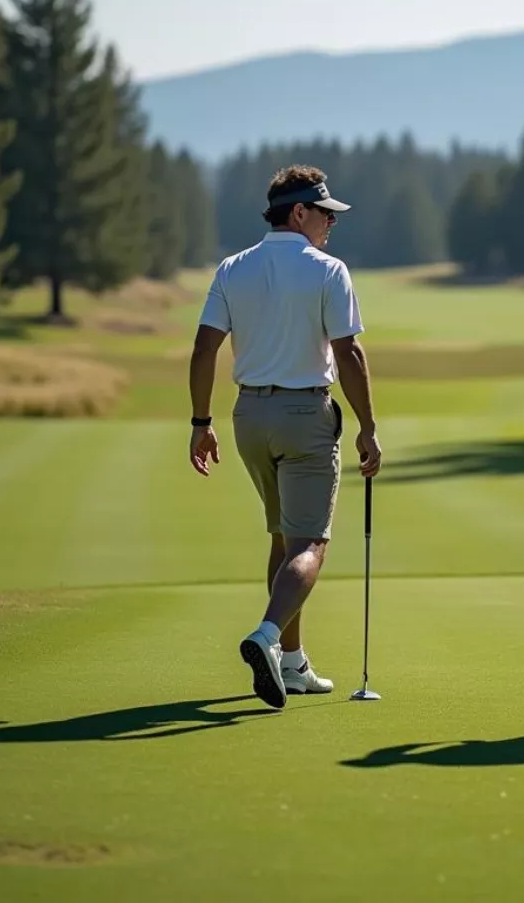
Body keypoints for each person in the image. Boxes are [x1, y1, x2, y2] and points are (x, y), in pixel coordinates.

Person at [188, 165, 382, 710]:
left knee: (282, 536)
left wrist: (200, 424)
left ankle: (292, 665)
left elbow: (205, 348)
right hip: (305, 416)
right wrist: (368, 427)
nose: (330, 224)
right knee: (310, 542)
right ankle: (268, 636)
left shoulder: (233, 268)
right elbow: (348, 353)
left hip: (248, 417)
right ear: (299, 212)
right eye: (325, 214)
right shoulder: (328, 270)